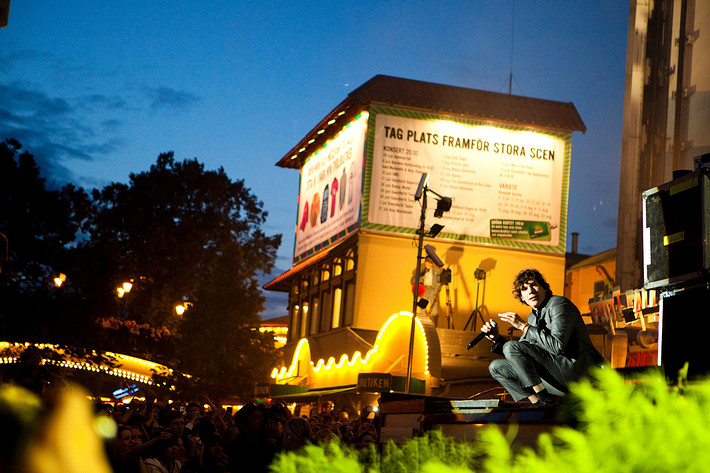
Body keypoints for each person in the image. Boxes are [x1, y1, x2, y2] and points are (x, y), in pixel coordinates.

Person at [481, 268, 604, 407]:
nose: (530, 291)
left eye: (534, 285)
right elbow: (519, 353)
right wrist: (497, 339)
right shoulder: (533, 316)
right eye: (524, 289)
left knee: (512, 347)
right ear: (522, 297)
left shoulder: (559, 305)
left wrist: (523, 326)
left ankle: (545, 399)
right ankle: (538, 403)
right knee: (496, 367)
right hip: (554, 375)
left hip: (576, 372)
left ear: (544, 288)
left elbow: (557, 346)